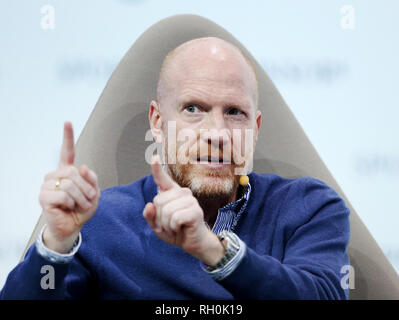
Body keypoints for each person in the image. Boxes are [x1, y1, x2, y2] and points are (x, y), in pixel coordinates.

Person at [0, 37, 350, 299]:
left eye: (234, 113)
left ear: (255, 129)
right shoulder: (97, 221)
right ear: (157, 121)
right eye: (194, 109)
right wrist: (57, 244)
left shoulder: (308, 207)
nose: (217, 133)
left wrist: (212, 250)